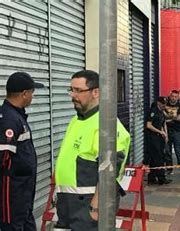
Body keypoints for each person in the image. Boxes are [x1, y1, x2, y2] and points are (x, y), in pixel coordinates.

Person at [54, 70, 131, 230]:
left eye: (78, 91)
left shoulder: (107, 125)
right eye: (71, 90)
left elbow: (110, 173)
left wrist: (95, 209)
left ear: (96, 92)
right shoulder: (76, 120)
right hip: (67, 205)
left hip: (87, 207)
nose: (73, 95)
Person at [0, 72, 44, 231]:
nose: (32, 96)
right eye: (32, 92)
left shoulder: (17, 116)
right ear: (24, 94)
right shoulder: (8, 120)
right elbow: (3, 159)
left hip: (23, 193)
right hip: (12, 195)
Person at [144, 97, 171, 185]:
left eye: (165, 104)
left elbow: (164, 124)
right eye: (163, 104)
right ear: (158, 103)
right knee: (158, 158)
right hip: (152, 138)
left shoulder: (162, 112)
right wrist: (160, 131)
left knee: (153, 158)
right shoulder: (153, 112)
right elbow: (148, 125)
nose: (164, 106)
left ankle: (151, 178)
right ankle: (161, 179)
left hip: (159, 137)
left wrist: (165, 134)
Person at [164, 90, 180, 174]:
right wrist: (173, 117)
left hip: (177, 131)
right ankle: (169, 169)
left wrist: (168, 117)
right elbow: (163, 117)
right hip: (167, 130)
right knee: (167, 150)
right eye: (172, 96)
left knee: (178, 150)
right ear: (170, 96)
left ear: (178, 97)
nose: (173, 98)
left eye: (175, 97)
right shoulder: (165, 104)